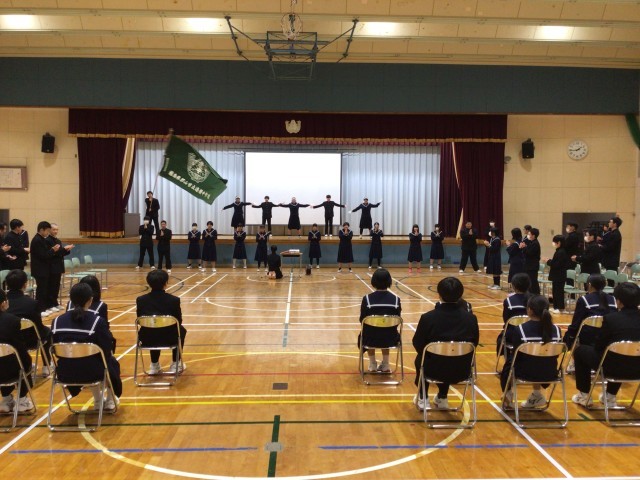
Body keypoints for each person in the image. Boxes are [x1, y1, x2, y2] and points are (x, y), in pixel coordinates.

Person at [412, 277, 479, 410]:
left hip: (433, 368)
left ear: (439, 294)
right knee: (450, 355)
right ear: (460, 295)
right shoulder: (471, 319)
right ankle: (442, 397)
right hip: (462, 370)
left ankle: (423, 397)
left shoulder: (428, 318)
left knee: (422, 357)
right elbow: (474, 343)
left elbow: (418, 343)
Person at [52, 283, 121, 411]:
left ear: (71, 300)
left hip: (65, 372)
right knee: (110, 362)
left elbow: (55, 349)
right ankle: (110, 399)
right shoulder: (97, 321)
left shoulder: (56, 322)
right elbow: (106, 349)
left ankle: (98, 400)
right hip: (93, 372)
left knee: (91, 360)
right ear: (90, 300)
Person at [572, 282, 640, 407]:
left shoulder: (611, 319)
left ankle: (584, 395)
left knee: (580, 351)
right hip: (637, 369)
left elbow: (599, 346)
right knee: (622, 354)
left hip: (613, 367)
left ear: (618, 301)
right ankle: (610, 396)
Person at [500, 295, 562, 409]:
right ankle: (536, 395)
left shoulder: (521, 329)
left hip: (525, 373)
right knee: (540, 359)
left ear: (529, 310)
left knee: (510, 363)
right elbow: (556, 355)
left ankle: (508, 394)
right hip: (550, 373)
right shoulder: (557, 330)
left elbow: (516, 356)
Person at [136, 269, 186, 375]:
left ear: (148, 283)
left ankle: (154, 365)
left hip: (147, 339)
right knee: (181, 330)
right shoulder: (174, 300)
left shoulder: (141, 300)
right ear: (166, 283)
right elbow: (179, 321)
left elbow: (139, 320)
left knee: (153, 329)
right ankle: (175, 363)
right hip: (170, 338)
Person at [563, 274, 616, 372]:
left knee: (572, 335)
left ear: (589, 285)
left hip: (589, 338)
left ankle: (577, 363)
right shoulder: (613, 299)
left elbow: (576, 324)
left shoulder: (584, 299)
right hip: (608, 338)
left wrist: (568, 337)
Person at [5, 269, 52, 375]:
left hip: (8, 341)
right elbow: (38, 327)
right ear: (25, 284)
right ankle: (46, 366)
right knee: (47, 332)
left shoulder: (3, 303)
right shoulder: (32, 303)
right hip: (29, 340)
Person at [359, 269, 401, 373]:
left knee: (369, 331)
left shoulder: (367, 299)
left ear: (373, 281)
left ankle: (372, 364)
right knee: (386, 330)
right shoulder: (396, 300)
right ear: (389, 281)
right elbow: (397, 319)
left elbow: (362, 319)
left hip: (370, 339)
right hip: (391, 338)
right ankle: (386, 364)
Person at [0, 289, 34, 414]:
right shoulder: (12, 321)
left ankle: (6, 399)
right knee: (23, 361)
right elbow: (20, 349)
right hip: (11, 369)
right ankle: (22, 400)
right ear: (4, 303)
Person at [497, 273, 531, 356]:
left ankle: (509, 359)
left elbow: (506, 320)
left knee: (501, 338)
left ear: (514, 286)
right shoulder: (535, 299)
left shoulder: (509, 301)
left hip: (513, 334)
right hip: (532, 332)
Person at [29, 221, 58, 316]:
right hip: (39, 269)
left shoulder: (41, 239)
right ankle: (40, 309)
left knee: (45, 289)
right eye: (47, 231)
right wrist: (53, 250)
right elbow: (43, 255)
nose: (48, 233)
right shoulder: (37, 240)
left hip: (44, 269)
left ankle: (44, 307)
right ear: (41, 230)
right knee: (41, 290)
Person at [46, 223, 73, 312]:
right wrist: (63, 249)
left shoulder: (57, 240)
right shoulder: (47, 240)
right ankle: (50, 304)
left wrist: (67, 250)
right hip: (52, 266)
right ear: (50, 230)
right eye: (54, 229)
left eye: (57, 229)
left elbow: (60, 253)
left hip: (58, 266)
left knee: (57, 286)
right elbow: (52, 253)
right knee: (51, 286)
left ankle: (55, 303)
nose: (56, 231)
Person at [543, 235, 571, 313]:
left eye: (554, 242)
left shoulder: (561, 252)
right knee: (555, 292)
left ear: (559, 242)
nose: (553, 243)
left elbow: (557, 264)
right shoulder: (559, 251)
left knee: (559, 292)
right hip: (557, 275)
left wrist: (548, 261)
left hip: (559, 275)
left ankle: (560, 308)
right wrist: (550, 261)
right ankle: (556, 307)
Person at [519, 227, 541, 294]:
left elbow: (530, 253)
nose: (528, 235)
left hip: (532, 266)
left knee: (533, 282)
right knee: (530, 281)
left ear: (533, 235)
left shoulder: (535, 243)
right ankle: (530, 294)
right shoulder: (532, 242)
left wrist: (524, 247)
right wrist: (523, 247)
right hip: (529, 265)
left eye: (529, 234)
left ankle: (535, 295)